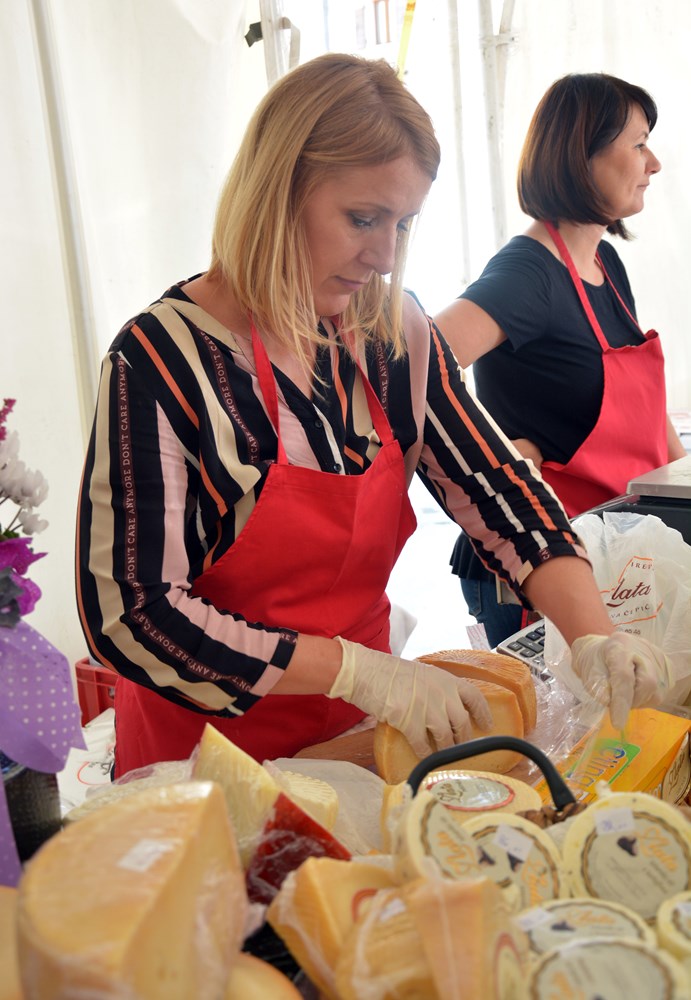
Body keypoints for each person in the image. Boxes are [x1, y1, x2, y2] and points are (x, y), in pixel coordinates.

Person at [76, 55, 675, 779]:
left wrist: (593, 635)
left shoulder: (394, 335)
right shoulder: (160, 360)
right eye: (363, 219)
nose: (386, 256)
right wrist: (357, 672)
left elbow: (497, 490)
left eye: (403, 223)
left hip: (357, 741)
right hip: (203, 765)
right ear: (275, 192)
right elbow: (130, 616)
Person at [435, 72, 687, 650]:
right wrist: (498, 451)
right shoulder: (529, 273)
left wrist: (682, 480)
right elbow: (415, 365)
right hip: (537, 563)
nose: (654, 164)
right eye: (639, 144)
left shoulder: (605, 264)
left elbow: (645, 412)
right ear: (582, 158)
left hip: (615, 550)